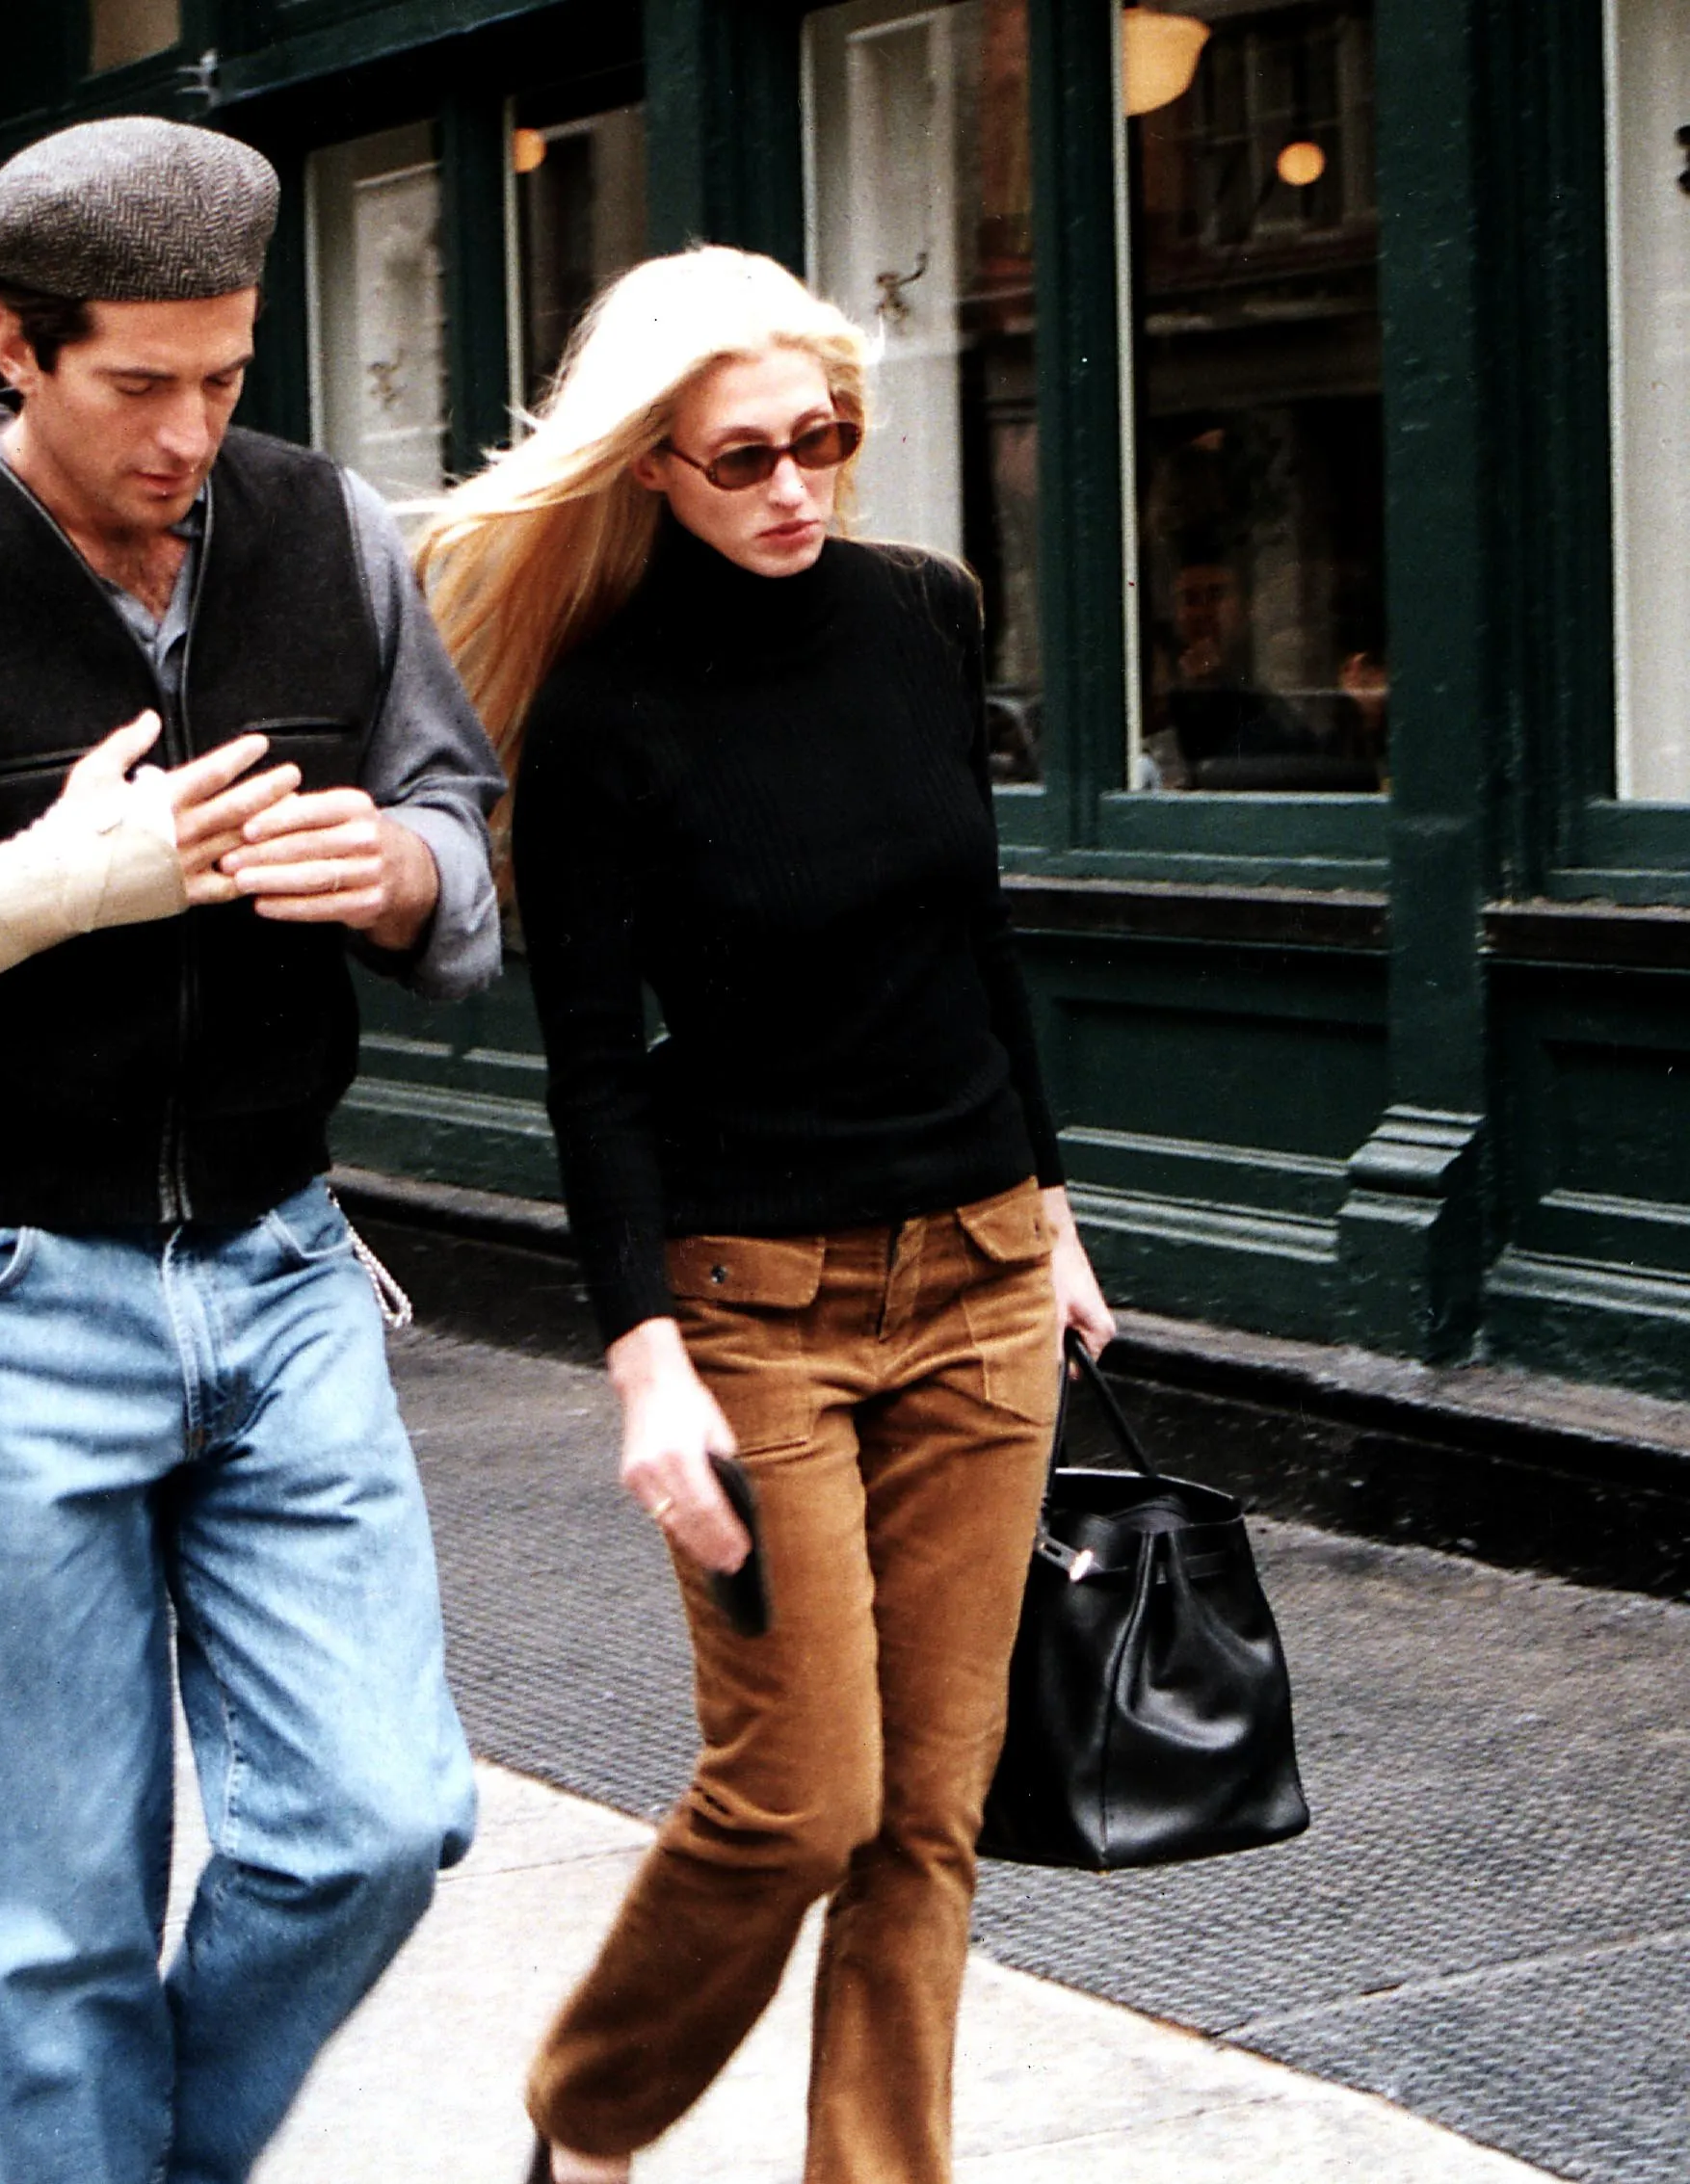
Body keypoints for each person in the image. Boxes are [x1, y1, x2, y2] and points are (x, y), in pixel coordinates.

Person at [0, 116, 502, 2184]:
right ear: (12, 346)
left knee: (378, 1818)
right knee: (50, 1930)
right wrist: (29, 893)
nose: (193, 433)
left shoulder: (337, 533)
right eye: (141, 384)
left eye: (227, 379)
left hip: (289, 1270)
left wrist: (390, 866)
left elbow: (472, 857)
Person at [415, 247, 1116, 2184]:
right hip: (753, 1308)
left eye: (824, 439)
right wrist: (641, 1353)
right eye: (743, 457)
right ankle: (587, 2114)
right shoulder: (599, 717)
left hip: (975, 1275)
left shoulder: (917, 615)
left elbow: (974, 929)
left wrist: (1045, 1203)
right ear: (650, 465)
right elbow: (589, 1067)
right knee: (796, 1795)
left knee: (927, 1815)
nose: (793, 486)